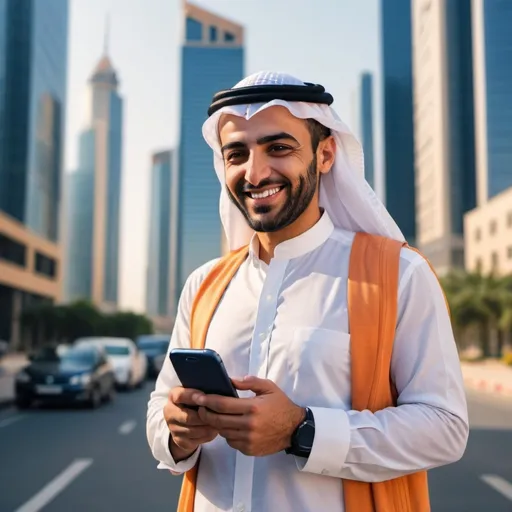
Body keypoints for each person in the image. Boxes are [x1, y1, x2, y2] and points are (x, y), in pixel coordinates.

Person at [146, 71, 469, 512]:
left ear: (325, 154)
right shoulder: (203, 285)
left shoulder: (399, 274)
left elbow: (445, 427)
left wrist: (302, 430)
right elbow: (160, 409)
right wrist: (176, 430)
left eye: (278, 148)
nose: (255, 172)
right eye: (237, 154)